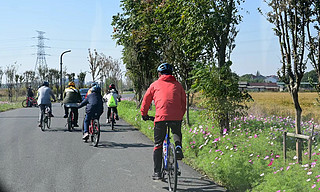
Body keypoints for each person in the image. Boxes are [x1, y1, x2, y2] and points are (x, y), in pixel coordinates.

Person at [140, 63, 186, 180]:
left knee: (158, 145)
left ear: (159, 74)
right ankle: (178, 146)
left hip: (160, 118)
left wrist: (144, 114)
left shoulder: (154, 85)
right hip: (176, 117)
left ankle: (157, 173)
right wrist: (180, 115)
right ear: (171, 73)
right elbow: (183, 102)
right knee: (176, 132)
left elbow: (146, 101)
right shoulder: (178, 85)